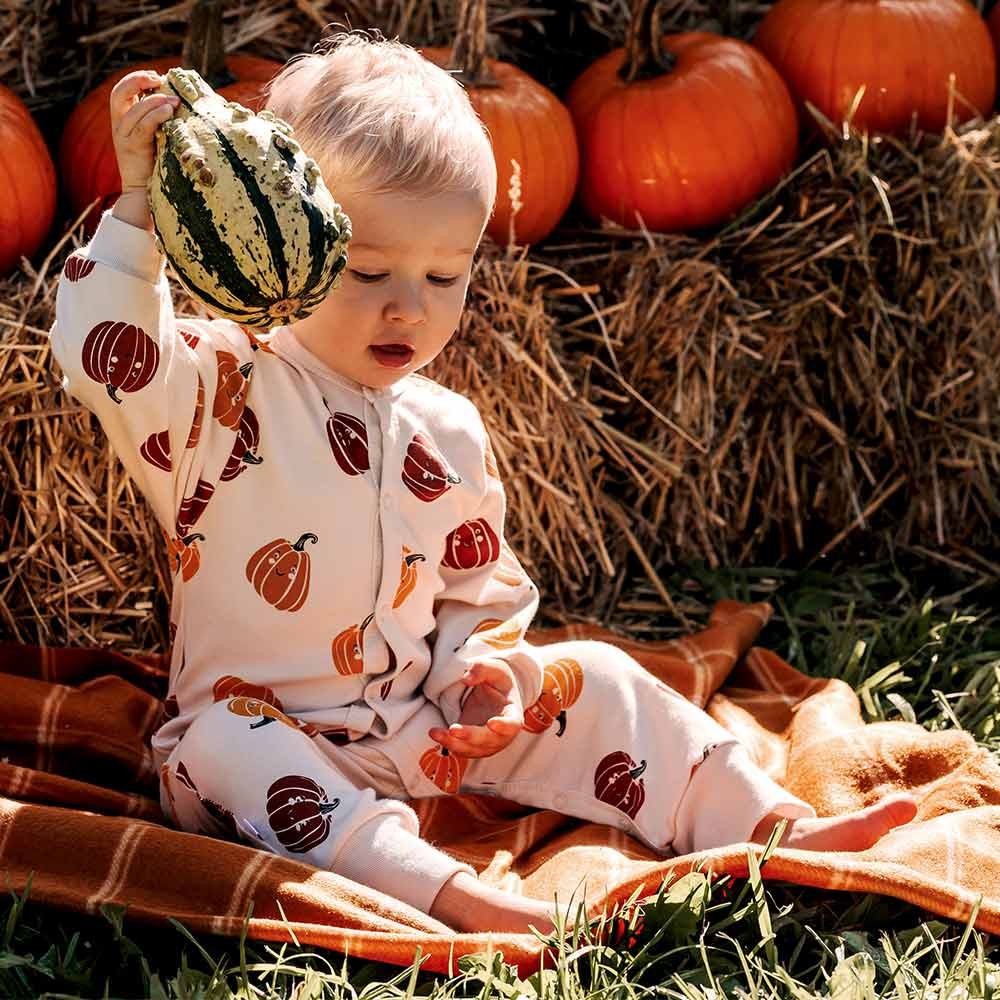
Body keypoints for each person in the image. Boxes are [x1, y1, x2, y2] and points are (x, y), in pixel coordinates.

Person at [49, 28, 917, 938]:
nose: (409, 307)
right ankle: (444, 894)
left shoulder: (449, 430)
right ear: (294, 240)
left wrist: (480, 677)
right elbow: (107, 359)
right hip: (268, 755)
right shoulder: (223, 393)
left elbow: (478, 588)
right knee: (228, 745)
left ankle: (767, 822)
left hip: (420, 734)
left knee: (600, 676)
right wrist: (138, 210)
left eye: (444, 274)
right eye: (368, 270)